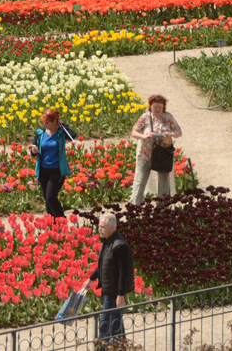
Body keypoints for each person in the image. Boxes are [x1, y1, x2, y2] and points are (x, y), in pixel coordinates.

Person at [81, 213, 135, 342]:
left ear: (112, 228)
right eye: (99, 226)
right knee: (116, 324)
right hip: (108, 290)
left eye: (103, 227)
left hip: (114, 292)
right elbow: (103, 265)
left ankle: (102, 348)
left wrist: (120, 295)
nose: (100, 229)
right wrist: (91, 279)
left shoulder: (119, 245)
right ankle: (121, 347)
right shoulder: (107, 242)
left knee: (105, 324)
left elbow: (124, 272)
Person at [129, 94, 182, 204]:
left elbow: (179, 132)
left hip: (163, 154)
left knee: (163, 181)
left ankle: (161, 208)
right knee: (140, 180)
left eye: (159, 107)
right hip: (146, 154)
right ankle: (135, 206)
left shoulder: (168, 117)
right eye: (155, 107)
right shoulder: (145, 117)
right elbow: (134, 132)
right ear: (150, 106)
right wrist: (144, 136)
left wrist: (170, 134)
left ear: (163, 107)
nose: (157, 109)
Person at [29, 108, 75, 218]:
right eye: (44, 122)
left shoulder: (61, 133)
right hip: (43, 170)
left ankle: (61, 220)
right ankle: (53, 225)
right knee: (47, 199)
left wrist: (63, 124)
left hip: (57, 170)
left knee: (50, 197)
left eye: (47, 122)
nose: (45, 125)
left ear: (55, 122)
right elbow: (33, 150)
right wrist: (33, 151)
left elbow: (73, 135)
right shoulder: (40, 133)